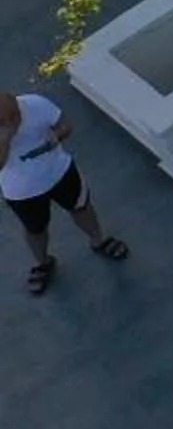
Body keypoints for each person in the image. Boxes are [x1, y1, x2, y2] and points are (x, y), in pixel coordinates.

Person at [4, 87, 126, 295]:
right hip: (22, 193)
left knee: (81, 207)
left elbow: (65, 125)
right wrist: (4, 139)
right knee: (35, 230)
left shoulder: (34, 104)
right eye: (4, 120)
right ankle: (44, 263)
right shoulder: (4, 130)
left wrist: (57, 136)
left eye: (13, 116)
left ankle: (99, 240)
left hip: (61, 172)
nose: (13, 122)